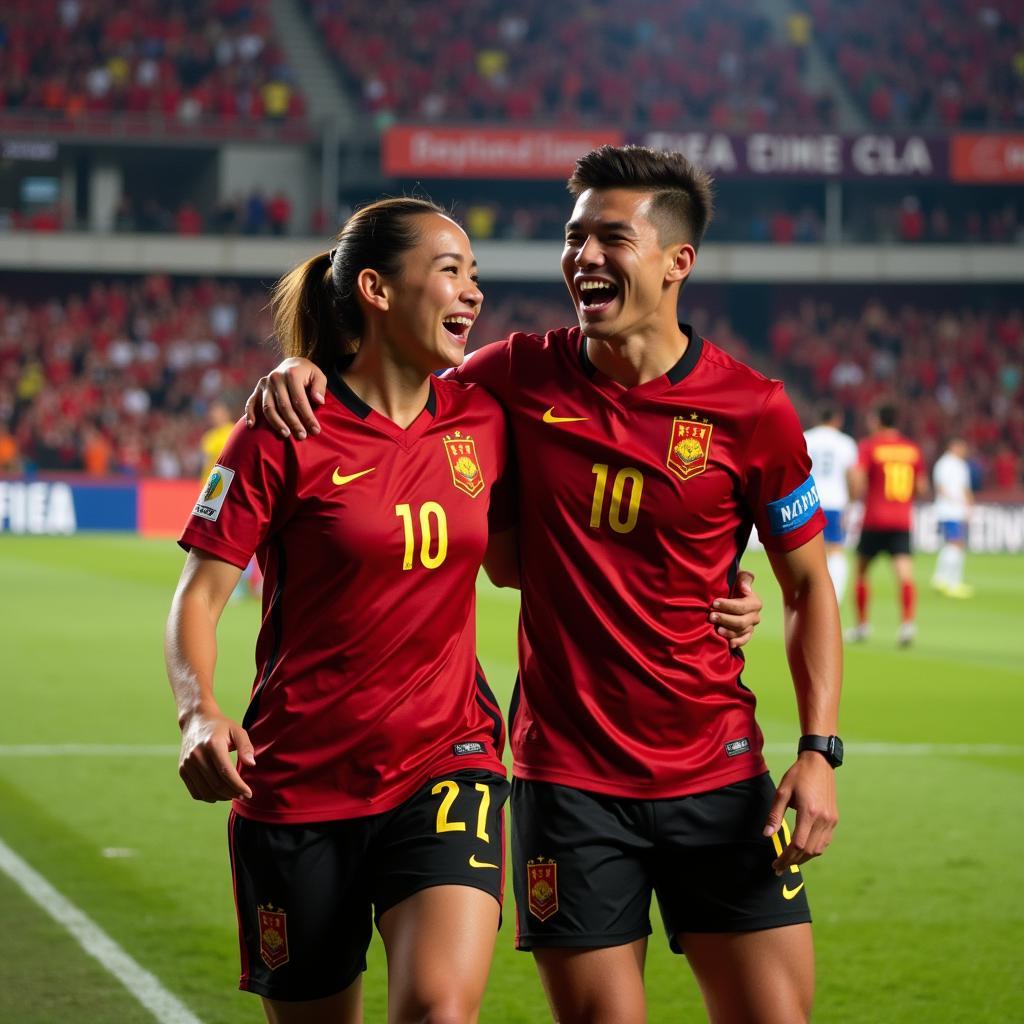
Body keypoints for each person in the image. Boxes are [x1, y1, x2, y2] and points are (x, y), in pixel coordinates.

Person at [245, 145, 841, 1024]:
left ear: (678, 262)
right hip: (570, 779)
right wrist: (302, 369)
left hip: (717, 767)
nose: (582, 258)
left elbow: (807, 588)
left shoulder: (754, 410)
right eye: (573, 238)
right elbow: (388, 390)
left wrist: (819, 753)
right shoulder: (513, 377)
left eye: (611, 238)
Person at [166, 198, 516, 1024]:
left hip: (447, 757)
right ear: (376, 289)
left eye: (476, 276)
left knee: (438, 1010)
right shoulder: (282, 427)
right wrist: (197, 711)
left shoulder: (484, 417)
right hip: (298, 784)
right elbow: (200, 595)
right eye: (450, 271)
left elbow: (540, 556)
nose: (472, 294)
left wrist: (707, 590)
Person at [847, 403, 927, 647]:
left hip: (874, 519)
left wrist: (853, 497)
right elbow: (922, 488)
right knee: (904, 575)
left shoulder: (870, 446)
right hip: (901, 521)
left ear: (878, 420)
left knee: (861, 573)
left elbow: (857, 481)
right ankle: (907, 625)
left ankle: (862, 626)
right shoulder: (911, 449)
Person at [803, 405, 858, 602]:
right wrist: (852, 502)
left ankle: (810, 594)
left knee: (807, 549)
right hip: (835, 501)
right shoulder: (846, 443)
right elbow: (853, 476)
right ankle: (835, 596)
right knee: (836, 548)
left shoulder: (806, 438)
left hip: (808, 500)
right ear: (838, 420)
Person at [931, 437, 973, 598]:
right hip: (949, 510)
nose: (965, 450)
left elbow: (964, 488)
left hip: (956, 510)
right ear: (953, 446)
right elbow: (941, 488)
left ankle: (944, 579)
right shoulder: (946, 464)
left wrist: (968, 506)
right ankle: (948, 581)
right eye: (962, 447)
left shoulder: (957, 464)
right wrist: (958, 502)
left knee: (956, 544)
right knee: (955, 544)